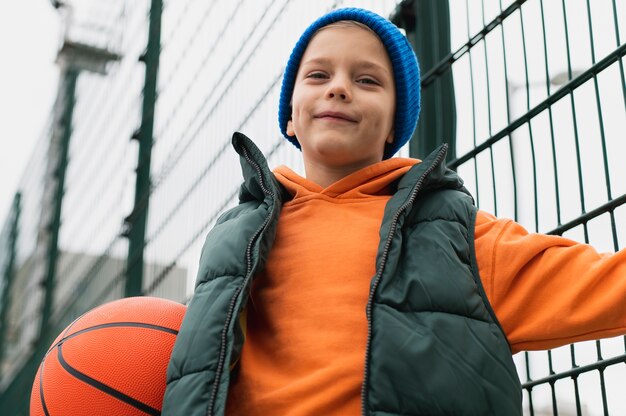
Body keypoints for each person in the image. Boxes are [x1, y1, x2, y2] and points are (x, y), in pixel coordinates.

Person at [162, 7, 626, 416]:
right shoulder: (235, 240)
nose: (339, 88)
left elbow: (603, 286)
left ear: (393, 125)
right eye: (318, 76)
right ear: (289, 116)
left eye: (367, 80)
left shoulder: (453, 236)